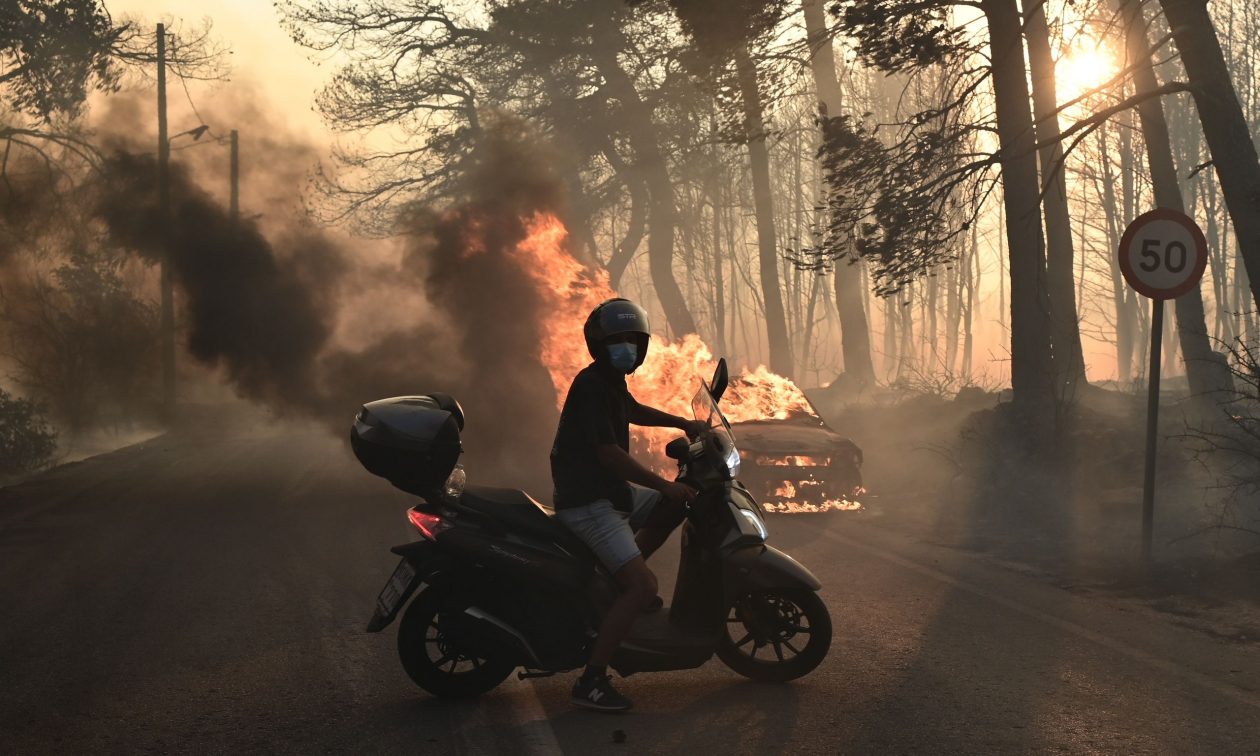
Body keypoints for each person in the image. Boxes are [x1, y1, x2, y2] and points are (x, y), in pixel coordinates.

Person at [551, 298, 704, 712]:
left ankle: (617, 583)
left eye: (632, 341)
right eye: (617, 341)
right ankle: (592, 681)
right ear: (599, 345)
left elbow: (632, 410)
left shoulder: (610, 381)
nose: (627, 348)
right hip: (588, 502)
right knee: (644, 586)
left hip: (610, 493)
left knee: (675, 507)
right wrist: (662, 484)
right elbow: (610, 456)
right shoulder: (591, 385)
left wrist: (681, 422)